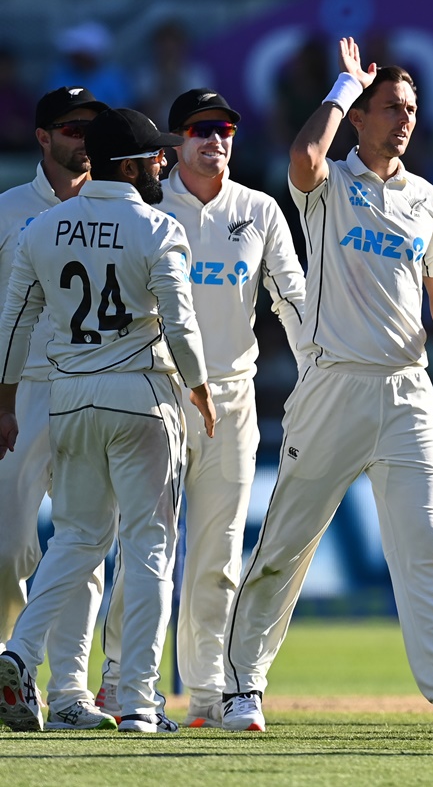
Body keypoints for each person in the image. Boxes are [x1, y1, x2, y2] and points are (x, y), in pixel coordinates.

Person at [219, 37, 433, 735]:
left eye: (413, 108)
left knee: (425, 543)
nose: (406, 119)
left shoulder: (428, 199)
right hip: (335, 384)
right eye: (391, 106)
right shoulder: (327, 185)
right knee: (287, 545)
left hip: (408, 390)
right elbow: (301, 160)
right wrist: (339, 88)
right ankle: (240, 686)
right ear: (358, 117)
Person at [93, 89, 306, 729]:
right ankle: (119, 682)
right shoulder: (151, 209)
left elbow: (292, 297)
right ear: (176, 142)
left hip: (233, 395)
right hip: (158, 391)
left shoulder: (258, 208)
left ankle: (211, 693)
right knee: (144, 546)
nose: (216, 140)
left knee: (217, 553)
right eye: (202, 130)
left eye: (226, 129)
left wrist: (318, 367)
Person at [0, 107, 215, 733]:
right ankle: (139, 703)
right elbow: (179, 322)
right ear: (130, 164)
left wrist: (7, 401)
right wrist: (200, 389)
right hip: (141, 398)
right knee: (148, 547)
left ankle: (17, 652)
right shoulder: (159, 229)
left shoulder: (44, 227)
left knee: (74, 540)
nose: (165, 163)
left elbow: (14, 325)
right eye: (156, 156)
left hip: (69, 399)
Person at [0, 86, 113, 731]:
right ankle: (12, 674)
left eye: (92, 129)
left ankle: (70, 691)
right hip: (23, 392)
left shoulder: (116, 209)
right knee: (10, 548)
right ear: (43, 136)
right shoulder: (10, 210)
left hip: (93, 386)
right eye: (72, 127)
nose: (83, 139)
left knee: (82, 541)